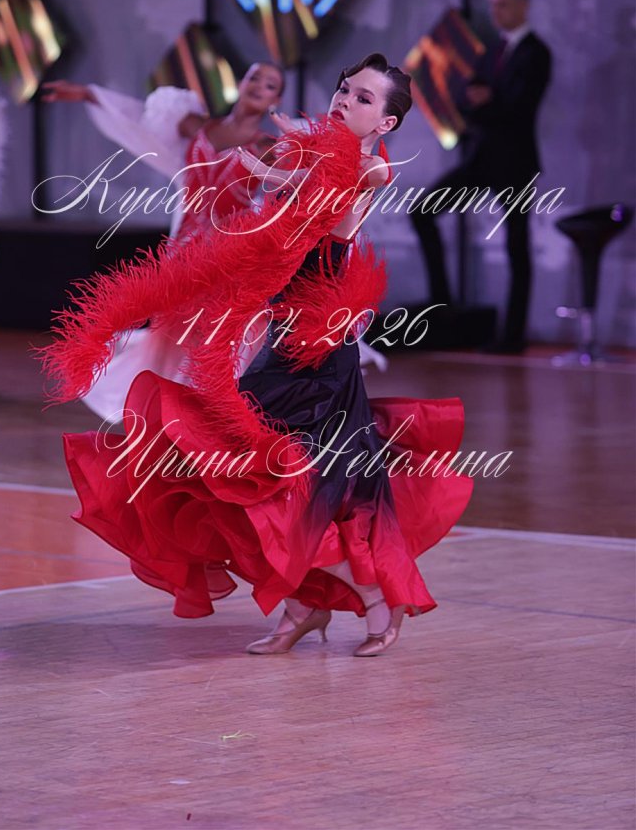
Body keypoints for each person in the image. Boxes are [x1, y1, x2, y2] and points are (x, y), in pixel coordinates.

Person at [40, 53, 473, 658]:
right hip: (282, 339)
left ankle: (372, 598)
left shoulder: (369, 167)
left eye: (364, 98)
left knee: (280, 486)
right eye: (345, 89)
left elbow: (333, 197)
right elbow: (281, 218)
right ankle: (305, 607)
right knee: (261, 486)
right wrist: (267, 172)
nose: (345, 100)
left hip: (318, 357)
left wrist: (275, 171)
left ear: (386, 124)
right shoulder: (314, 158)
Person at [41, 63, 286, 420]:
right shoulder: (198, 126)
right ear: (241, 82)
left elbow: (300, 181)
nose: (259, 86)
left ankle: (214, 417)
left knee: (217, 338)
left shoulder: (267, 146)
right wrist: (90, 94)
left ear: (275, 99)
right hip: (184, 251)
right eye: (254, 78)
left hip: (228, 257)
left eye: (270, 85)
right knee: (169, 337)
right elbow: (137, 120)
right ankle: (164, 415)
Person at [410, 0, 552, 353]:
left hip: (515, 162)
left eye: (503, 4)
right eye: (493, 5)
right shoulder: (492, 51)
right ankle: (441, 303)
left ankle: (513, 335)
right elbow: (465, 97)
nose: (496, 12)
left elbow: (519, 108)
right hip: (480, 157)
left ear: (523, 5)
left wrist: (486, 102)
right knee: (422, 211)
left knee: (516, 246)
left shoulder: (536, 53)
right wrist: (483, 101)